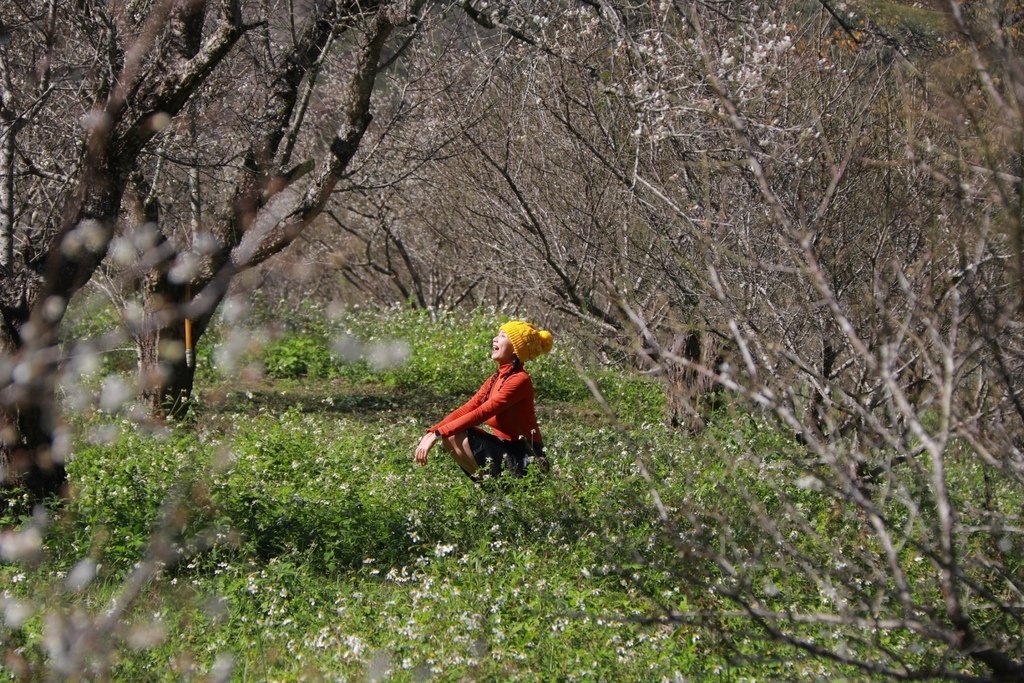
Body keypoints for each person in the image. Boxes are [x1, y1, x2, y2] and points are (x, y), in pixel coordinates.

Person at [414, 320, 553, 480]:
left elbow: (483, 412)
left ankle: (497, 491)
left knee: (455, 433)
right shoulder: (496, 378)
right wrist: (432, 432)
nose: (495, 338)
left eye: (502, 336)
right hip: (507, 449)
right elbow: (469, 407)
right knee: (451, 435)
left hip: (527, 458)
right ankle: (491, 489)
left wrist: (438, 434)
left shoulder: (519, 380)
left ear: (516, 349)